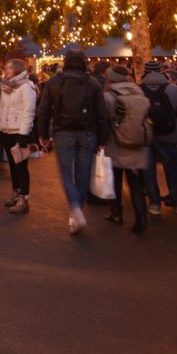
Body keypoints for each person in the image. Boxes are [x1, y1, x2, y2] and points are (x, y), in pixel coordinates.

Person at [37, 49, 109, 234]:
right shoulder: (92, 83)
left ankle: (75, 208)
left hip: (63, 132)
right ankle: (77, 211)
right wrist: (103, 139)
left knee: (66, 173)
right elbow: (102, 114)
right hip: (87, 133)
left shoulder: (54, 82)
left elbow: (44, 110)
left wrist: (43, 134)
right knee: (83, 173)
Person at [140, 61, 177, 216]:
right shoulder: (173, 89)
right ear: (161, 71)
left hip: (146, 136)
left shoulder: (138, 89)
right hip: (169, 134)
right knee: (172, 171)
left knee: (149, 170)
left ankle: (154, 204)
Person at [102, 65, 151, 233]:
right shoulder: (138, 92)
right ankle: (141, 217)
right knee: (135, 182)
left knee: (115, 180)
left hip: (116, 143)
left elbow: (104, 119)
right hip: (137, 142)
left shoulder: (108, 96)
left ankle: (116, 212)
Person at [0, 59, 39, 213]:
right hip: (7, 130)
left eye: (10, 68)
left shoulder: (26, 87)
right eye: (6, 67)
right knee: (13, 166)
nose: (6, 70)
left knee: (21, 166)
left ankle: (24, 198)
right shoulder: (6, 86)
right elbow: (2, 109)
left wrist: (23, 134)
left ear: (18, 69)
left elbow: (28, 111)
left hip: (19, 131)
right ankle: (15, 192)